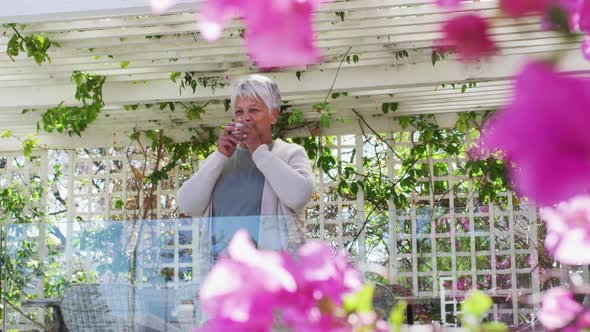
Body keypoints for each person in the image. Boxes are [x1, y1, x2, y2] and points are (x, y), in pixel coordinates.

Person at [177, 74, 315, 256]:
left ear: (274, 115)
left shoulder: (290, 154)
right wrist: (220, 156)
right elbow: (187, 205)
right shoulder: (219, 159)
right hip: (224, 273)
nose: (245, 118)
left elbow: (299, 196)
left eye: (254, 110)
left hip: (271, 273)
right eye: (239, 112)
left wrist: (258, 150)